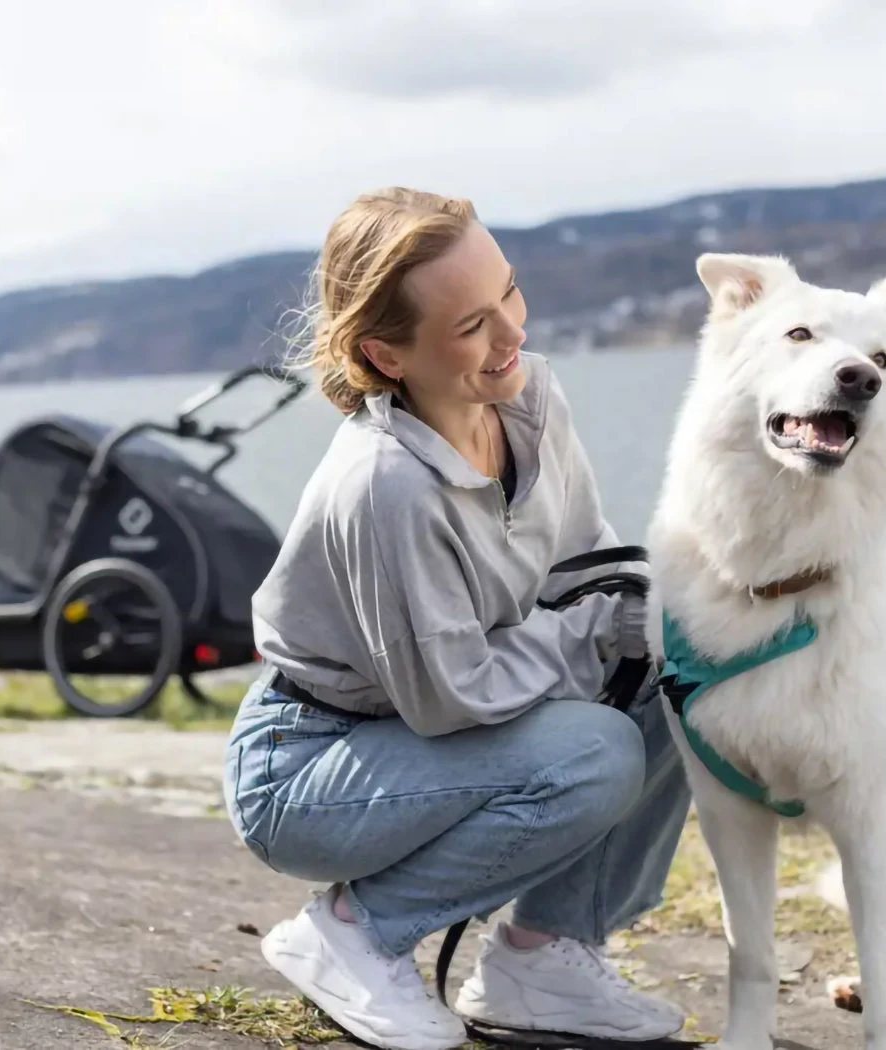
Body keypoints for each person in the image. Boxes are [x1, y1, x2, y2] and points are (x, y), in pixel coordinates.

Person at [222, 187, 693, 1050]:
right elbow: (452, 695)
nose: (512, 333)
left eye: (509, 291)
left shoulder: (529, 399)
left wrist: (661, 620)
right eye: (471, 324)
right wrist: (602, 629)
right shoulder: (384, 483)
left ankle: (544, 955)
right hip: (309, 763)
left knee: (682, 667)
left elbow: (585, 563)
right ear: (386, 355)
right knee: (596, 750)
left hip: (430, 733)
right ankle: (355, 932)